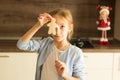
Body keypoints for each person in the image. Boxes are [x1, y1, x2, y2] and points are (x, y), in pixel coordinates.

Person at [17, 8, 85, 80]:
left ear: (70, 28)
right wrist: (38, 25)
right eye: (54, 26)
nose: (57, 31)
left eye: (62, 26)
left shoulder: (76, 53)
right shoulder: (45, 44)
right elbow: (21, 45)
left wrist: (64, 75)